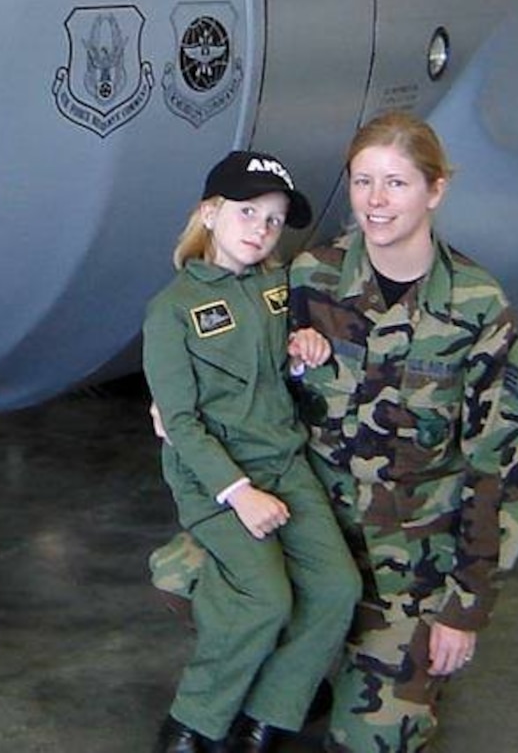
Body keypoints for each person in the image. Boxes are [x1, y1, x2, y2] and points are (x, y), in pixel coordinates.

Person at [290, 112, 518, 753]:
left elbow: (499, 466)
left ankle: (388, 663)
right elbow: (253, 389)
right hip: (316, 543)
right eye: (363, 180)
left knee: (367, 740)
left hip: (409, 569)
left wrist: (466, 608)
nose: (375, 201)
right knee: (185, 575)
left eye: (396, 183)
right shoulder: (310, 278)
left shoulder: (477, 303)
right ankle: (308, 663)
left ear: (436, 190)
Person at [143, 150, 363, 753]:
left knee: (337, 587)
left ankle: (271, 710)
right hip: (217, 479)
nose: (262, 230)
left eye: (274, 219)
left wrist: (304, 351)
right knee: (264, 598)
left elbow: (274, 369)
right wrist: (238, 494)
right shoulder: (172, 311)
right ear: (209, 214)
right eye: (247, 212)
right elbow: (180, 424)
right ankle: (194, 721)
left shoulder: (276, 286)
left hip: (286, 465)